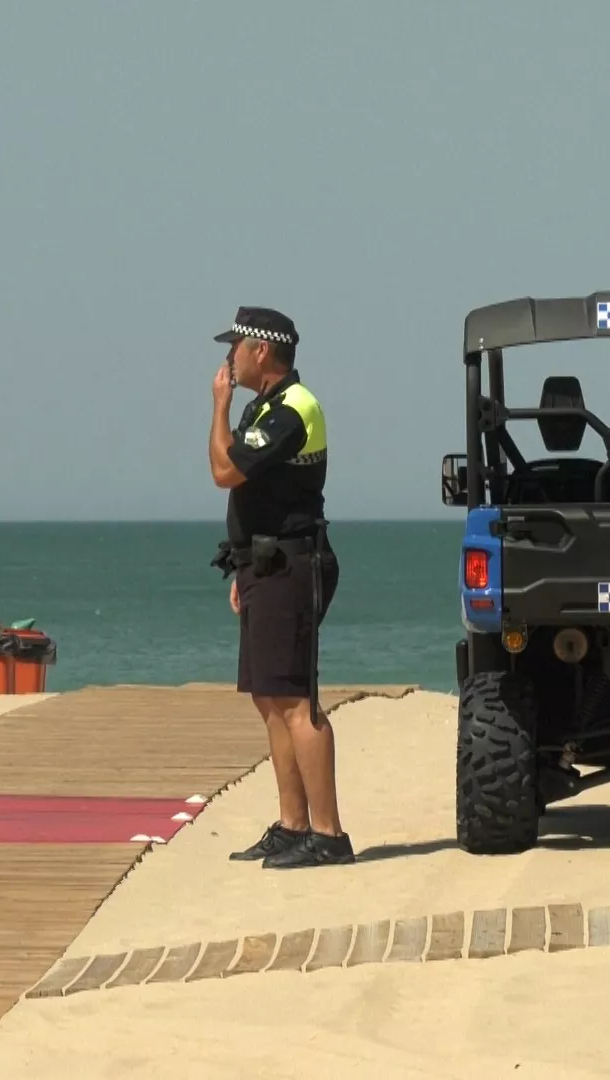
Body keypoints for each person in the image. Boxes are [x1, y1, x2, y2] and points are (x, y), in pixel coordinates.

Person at [206, 305, 350, 869]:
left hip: (293, 565)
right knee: (270, 700)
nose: (229, 359)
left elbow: (225, 472)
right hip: (265, 567)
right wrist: (244, 568)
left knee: (297, 702)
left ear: (260, 351)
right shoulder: (266, 407)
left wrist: (218, 407)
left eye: (234, 347)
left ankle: (330, 835)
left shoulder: (293, 407)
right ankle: (293, 825)